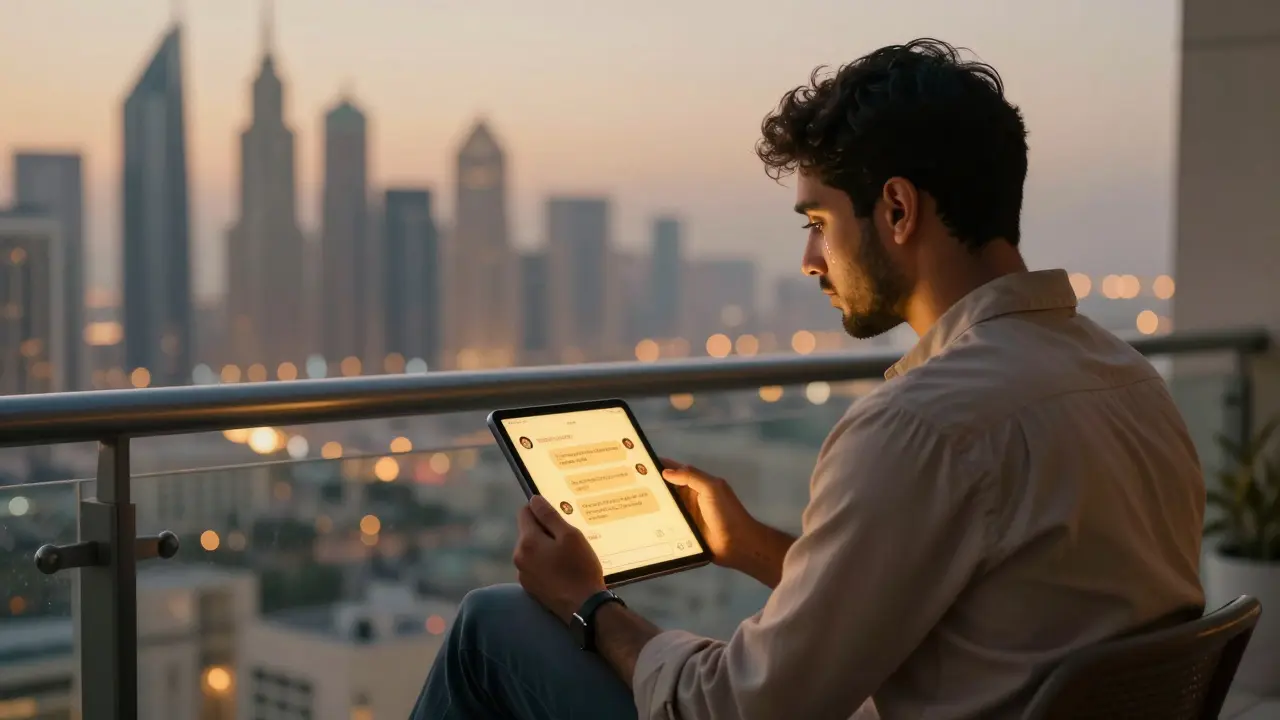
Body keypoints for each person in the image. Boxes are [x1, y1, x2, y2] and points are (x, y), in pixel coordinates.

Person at [411, 38, 1205, 720]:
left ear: (897, 210)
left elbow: (740, 708)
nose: (809, 261)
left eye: (819, 224)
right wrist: (752, 545)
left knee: (492, 625)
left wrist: (587, 603)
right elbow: (965, 608)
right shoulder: (1130, 381)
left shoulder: (922, 424)